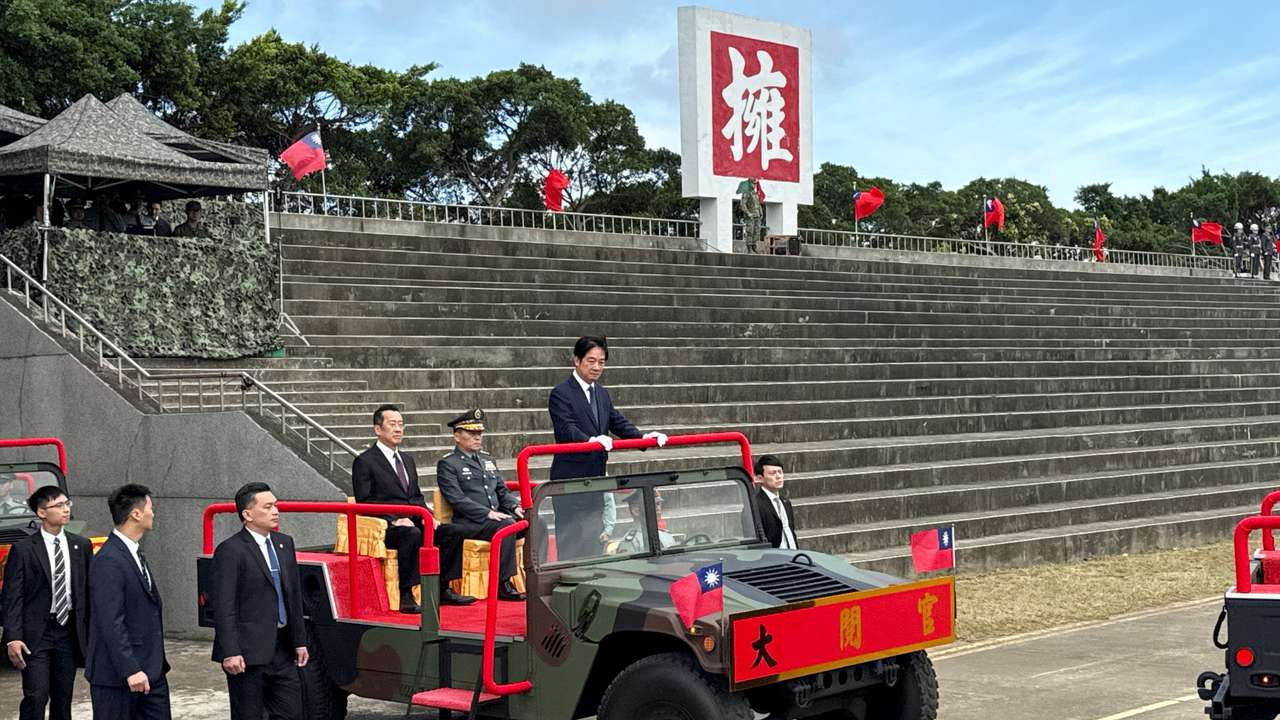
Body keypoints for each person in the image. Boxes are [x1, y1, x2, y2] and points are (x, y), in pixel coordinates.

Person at [547, 335, 667, 560]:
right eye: (591, 361)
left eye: (601, 362)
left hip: (595, 477)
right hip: (570, 479)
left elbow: (615, 420)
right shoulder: (561, 393)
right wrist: (590, 440)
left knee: (593, 536)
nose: (596, 367)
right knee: (572, 539)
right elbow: (566, 429)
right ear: (577, 360)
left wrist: (643, 437)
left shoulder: (600, 393)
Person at [211, 482, 308, 720]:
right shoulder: (230, 550)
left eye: (275, 505)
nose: (275, 511)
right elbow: (224, 606)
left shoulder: (285, 543)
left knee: (291, 712)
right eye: (267, 507)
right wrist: (230, 651)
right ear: (247, 514)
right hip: (248, 653)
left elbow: (293, 596)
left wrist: (300, 641)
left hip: (283, 648)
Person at [351, 404, 461, 610]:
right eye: (392, 424)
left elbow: (416, 496)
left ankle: (443, 589)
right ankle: (405, 594)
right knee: (410, 534)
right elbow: (365, 502)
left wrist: (428, 515)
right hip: (387, 526)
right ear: (378, 429)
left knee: (451, 532)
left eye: (401, 424)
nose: (398, 429)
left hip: (414, 518)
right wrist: (393, 518)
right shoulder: (364, 461)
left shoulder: (408, 460)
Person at [2, 486, 93, 720]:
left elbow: (88, 594)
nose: (65, 509)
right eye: (58, 505)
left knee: (63, 698)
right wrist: (13, 637)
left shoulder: (81, 546)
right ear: (41, 513)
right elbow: (13, 597)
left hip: (68, 631)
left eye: (67, 503)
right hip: (36, 634)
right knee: (36, 695)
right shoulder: (23, 549)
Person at [85, 484, 171, 720]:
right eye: (150, 507)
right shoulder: (109, 559)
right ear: (136, 513)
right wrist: (131, 668)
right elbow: (110, 620)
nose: (153, 513)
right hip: (119, 678)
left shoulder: (133, 553)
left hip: (151, 672)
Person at [436, 409, 526, 602]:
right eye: (471, 434)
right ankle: (503, 583)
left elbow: (501, 491)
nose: (477, 438)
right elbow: (456, 498)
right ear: (457, 436)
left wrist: (514, 506)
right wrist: (487, 513)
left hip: (496, 518)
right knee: (508, 525)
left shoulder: (488, 460)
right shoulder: (448, 464)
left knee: (534, 521)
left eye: (479, 434)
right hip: (471, 522)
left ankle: (535, 573)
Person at [753, 455, 798, 550]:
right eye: (772, 473)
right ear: (759, 478)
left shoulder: (785, 502)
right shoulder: (755, 505)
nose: (778, 476)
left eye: (780, 472)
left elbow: (790, 532)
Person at [611, 490, 676, 554]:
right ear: (636, 510)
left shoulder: (666, 535)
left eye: (658, 504)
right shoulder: (630, 543)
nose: (658, 508)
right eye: (652, 505)